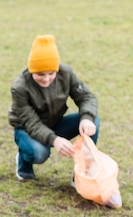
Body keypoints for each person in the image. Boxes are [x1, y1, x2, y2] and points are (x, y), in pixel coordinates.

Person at [8, 34, 100, 181]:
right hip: (27, 128)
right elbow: (31, 123)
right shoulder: (20, 88)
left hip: (54, 123)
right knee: (39, 153)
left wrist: (86, 119)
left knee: (92, 122)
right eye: (40, 74)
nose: (46, 79)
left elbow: (86, 97)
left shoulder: (66, 74)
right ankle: (24, 161)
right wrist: (55, 140)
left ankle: (81, 176)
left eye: (51, 73)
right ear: (31, 70)